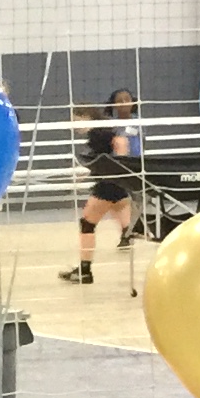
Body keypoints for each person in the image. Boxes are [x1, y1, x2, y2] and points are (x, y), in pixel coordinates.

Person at [61, 89, 141, 282]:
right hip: (116, 182)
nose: (74, 126)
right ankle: (131, 234)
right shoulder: (101, 130)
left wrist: (118, 166)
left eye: (76, 120)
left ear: (85, 117)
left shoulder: (99, 132)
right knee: (124, 216)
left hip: (109, 184)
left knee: (87, 223)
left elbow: (120, 144)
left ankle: (85, 271)